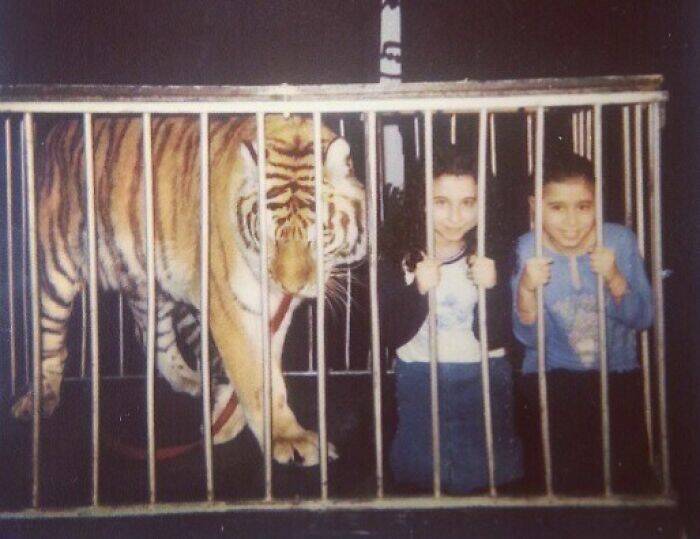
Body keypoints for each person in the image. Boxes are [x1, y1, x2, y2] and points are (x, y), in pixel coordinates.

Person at [380, 147, 523, 494]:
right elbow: (388, 336)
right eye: (441, 202)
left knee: (489, 474)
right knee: (421, 474)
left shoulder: (493, 253)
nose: (456, 217)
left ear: (483, 204)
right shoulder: (400, 256)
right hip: (419, 373)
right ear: (421, 202)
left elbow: (500, 337)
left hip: (484, 372)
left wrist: (492, 290)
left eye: (468, 202)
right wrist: (418, 292)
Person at [512, 151, 654, 494]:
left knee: (624, 485)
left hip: (616, 373)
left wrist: (615, 278)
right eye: (556, 207)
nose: (571, 221)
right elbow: (526, 337)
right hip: (550, 376)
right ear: (534, 206)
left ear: (597, 204)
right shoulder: (526, 248)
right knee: (554, 485)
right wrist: (526, 289)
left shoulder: (619, 241)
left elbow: (644, 318)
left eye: (583, 206)